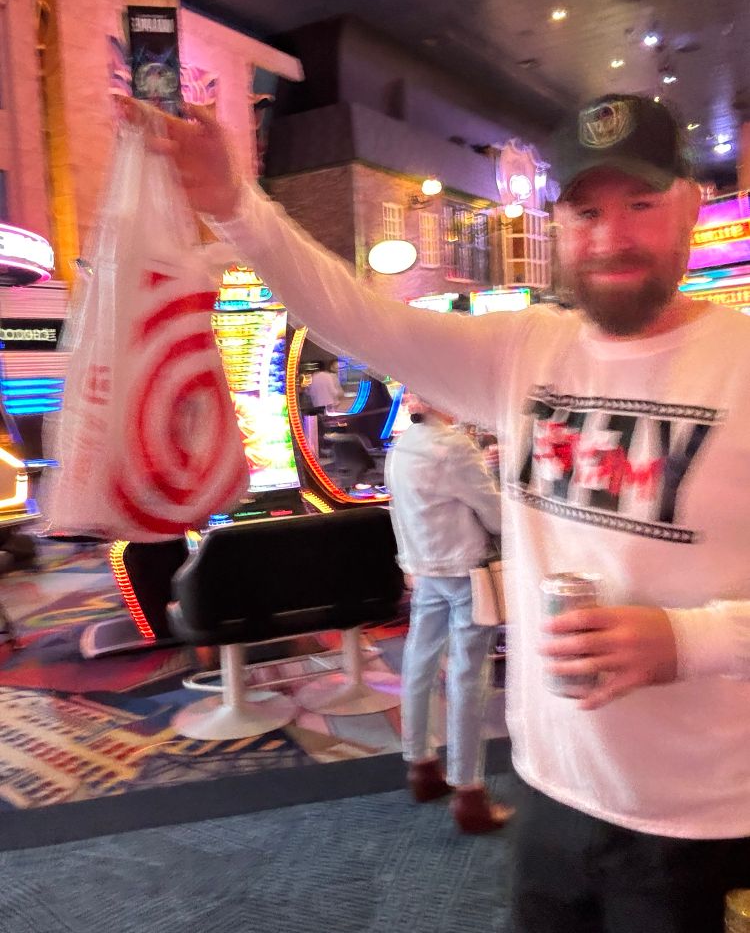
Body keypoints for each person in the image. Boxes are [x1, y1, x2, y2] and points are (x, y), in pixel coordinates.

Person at [123, 93, 750, 932]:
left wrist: (688, 640)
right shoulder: (529, 349)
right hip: (552, 782)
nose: (612, 238)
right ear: (558, 224)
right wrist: (237, 204)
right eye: (587, 212)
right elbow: (357, 317)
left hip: (698, 811)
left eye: (640, 204)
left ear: (691, 204)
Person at [385, 393, 512, 834]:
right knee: (467, 677)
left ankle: (420, 766)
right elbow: (497, 518)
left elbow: (398, 514)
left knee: (419, 664)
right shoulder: (454, 446)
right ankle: (468, 791)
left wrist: (410, 564)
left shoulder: (402, 446)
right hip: (466, 572)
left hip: (424, 568)